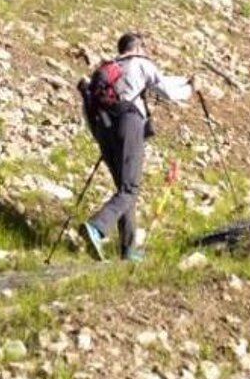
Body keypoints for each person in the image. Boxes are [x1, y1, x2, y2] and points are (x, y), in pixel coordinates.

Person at [79, 33, 192, 262]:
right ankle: (97, 226)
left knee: (124, 188)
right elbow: (167, 90)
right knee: (130, 188)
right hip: (128, 123)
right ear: (138, 47)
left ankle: (129, 249)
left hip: (103, 129)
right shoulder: (141, 63)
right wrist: (190, 89)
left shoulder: (107, 70)